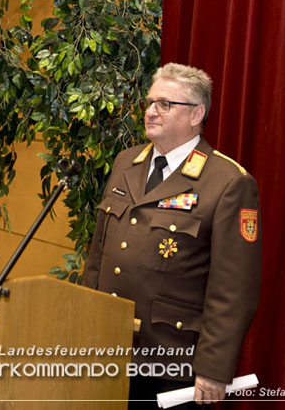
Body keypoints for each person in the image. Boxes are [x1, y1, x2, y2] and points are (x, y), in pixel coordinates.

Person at [83, 63, 261, 408]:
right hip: (108, 346)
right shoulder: (126, 161)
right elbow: (99, 256)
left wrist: (213, 368)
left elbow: (234, 289)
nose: (151, 111)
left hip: (172, 359)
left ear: (196, 114)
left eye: (165, 104)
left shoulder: (227, 182)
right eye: (150, 102)